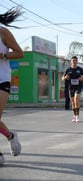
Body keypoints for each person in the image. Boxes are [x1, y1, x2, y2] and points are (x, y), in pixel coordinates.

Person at [0, 7, 24, 166]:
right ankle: (10, 136)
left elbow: (19, 52)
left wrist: (2, 55)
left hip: (2, 79)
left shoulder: (3, 33)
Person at [62, 56, 83, 123]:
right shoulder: (68, 70)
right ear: (71, 62)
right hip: (71, 87)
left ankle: (77, 116)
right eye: (73, 60)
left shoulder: (80, 69)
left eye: (75, 60)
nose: (74, 62)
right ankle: (74, 115)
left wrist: (81, 78)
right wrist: (65, 77)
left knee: (76, 100)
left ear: (77, 61)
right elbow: (62, 78)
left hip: (78, 87)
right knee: (73, 102)